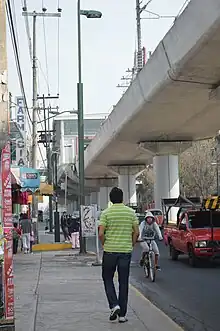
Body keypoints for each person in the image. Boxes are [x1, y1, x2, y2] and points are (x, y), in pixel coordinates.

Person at [99, 187, 139, 323]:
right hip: (125, 252)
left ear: (110, 199)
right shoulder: (131, 213)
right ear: (122, 198)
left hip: (110, 251)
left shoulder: (106, 213)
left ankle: (114, 304)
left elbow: (100, 233)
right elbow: (136, 232)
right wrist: (131, 244)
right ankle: (122, 315)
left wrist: (104, 244)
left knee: (107, 278)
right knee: (123, 282)